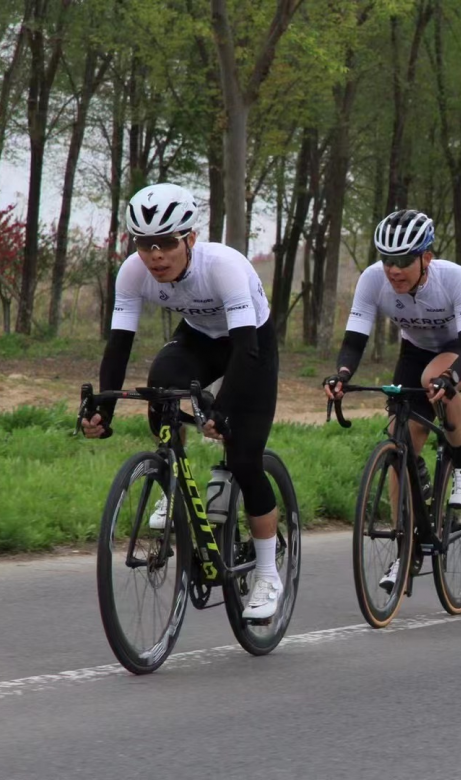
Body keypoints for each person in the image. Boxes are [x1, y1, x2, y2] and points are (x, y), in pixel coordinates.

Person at [79, 183, 284, 621]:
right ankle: (172, 481)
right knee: (161, 384)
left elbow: (246, 352)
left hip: (251, 342)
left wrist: (222, 410)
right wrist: (104, 409)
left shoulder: (224, 267)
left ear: (189, 238)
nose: (155, 255)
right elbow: (118, 346)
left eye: (166, 243)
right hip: (201, 338)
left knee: (245, 457)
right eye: (145, 244)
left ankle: (268, 573)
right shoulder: (132, 273)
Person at [324, 209, 461, 590]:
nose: (393, 270)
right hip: (414, 351)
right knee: (399, 438)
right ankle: (408, 546)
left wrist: (451, 378)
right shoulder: (372, 280)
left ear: (426, 258)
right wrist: (342, 375)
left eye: (402, 261)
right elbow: (355, 339)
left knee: (435, 378)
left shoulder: (454, 278)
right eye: (386, 260)